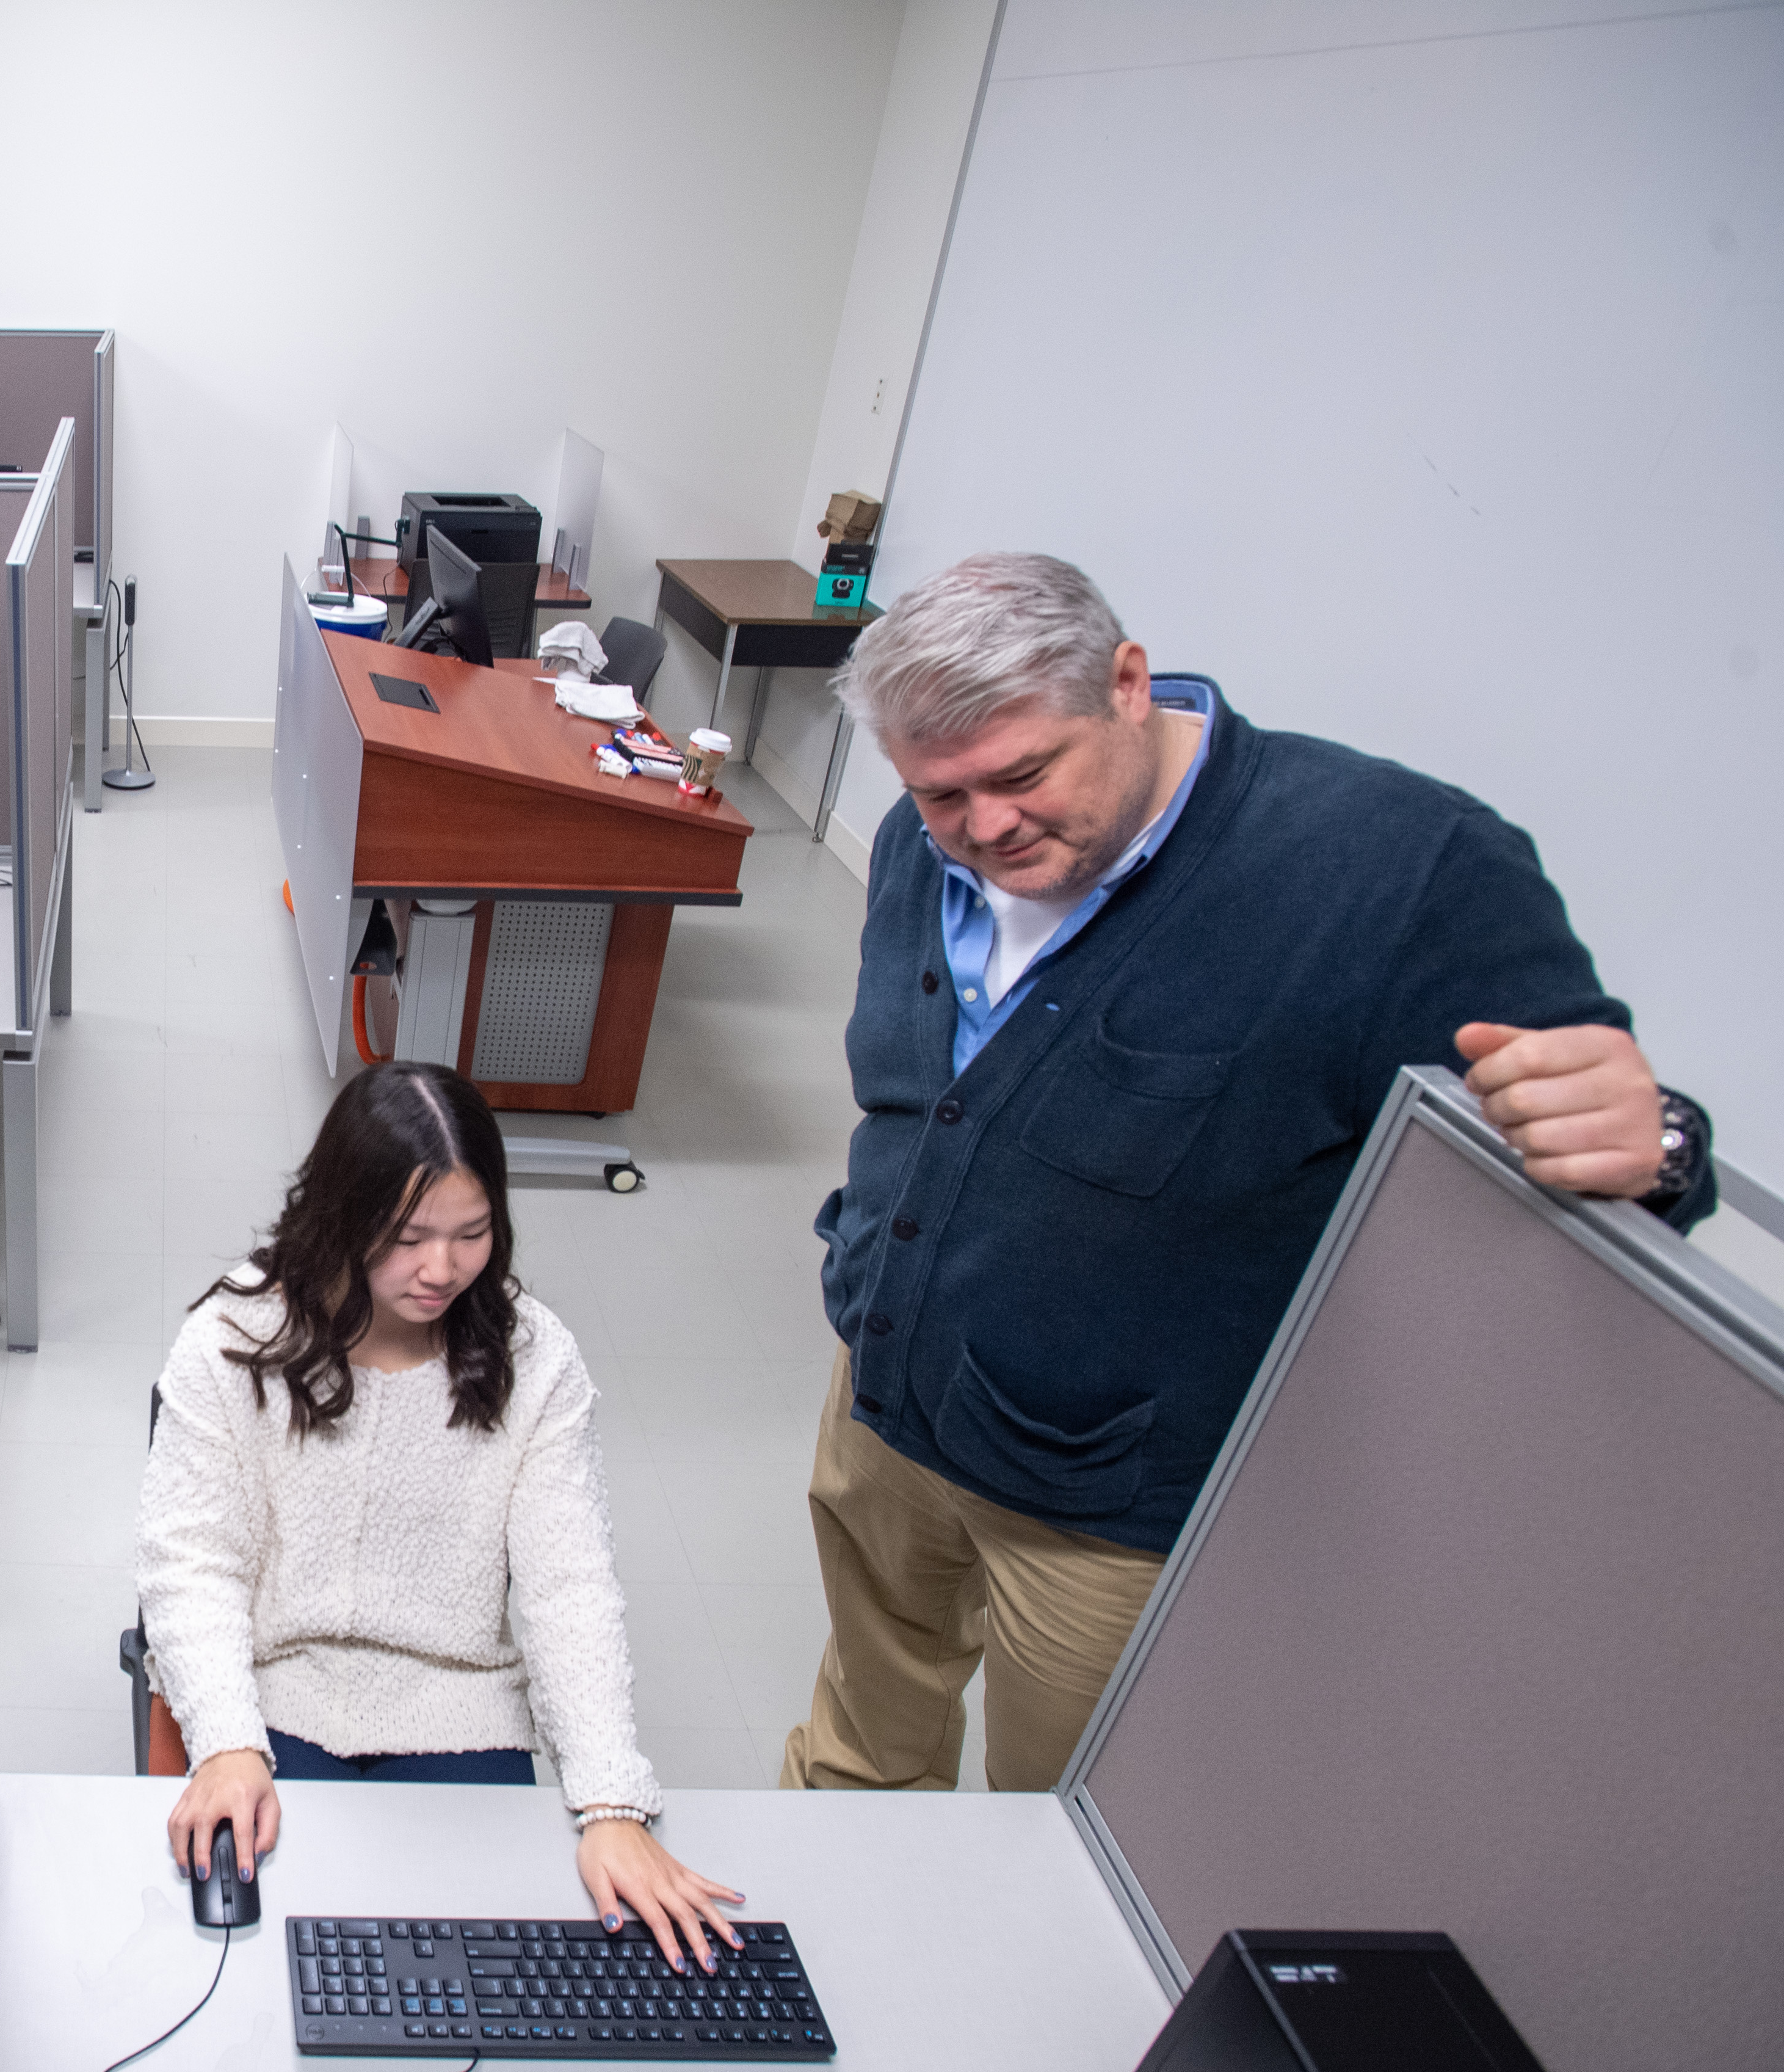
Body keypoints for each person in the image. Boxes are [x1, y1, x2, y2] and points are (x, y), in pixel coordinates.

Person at [789, 551, 1716, 1796]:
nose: (985, 829)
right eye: (939, 794)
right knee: (858, 1739)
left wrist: (1655, 1143)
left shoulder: (1396, 869)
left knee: (1064, 1835)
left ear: (1128, 684)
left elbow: (1597, 1131)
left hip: (1102, 1505)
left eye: (1022, 776)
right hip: (888, 1402)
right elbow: (926, 1104)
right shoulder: (925, 839)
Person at [135, 1061, 740, 1964]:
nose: (443, 1270)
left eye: (473, 1234)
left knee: (494, 1969)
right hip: (273, 1702)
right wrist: (226, 1741)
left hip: (460, 1713)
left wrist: (611, 1803)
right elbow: (191, 1562)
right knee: (257, 1970)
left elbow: (570, 1588)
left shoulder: (538, 1362)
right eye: (409, 1235)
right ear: (343, 1213)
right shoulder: (233, 1338)